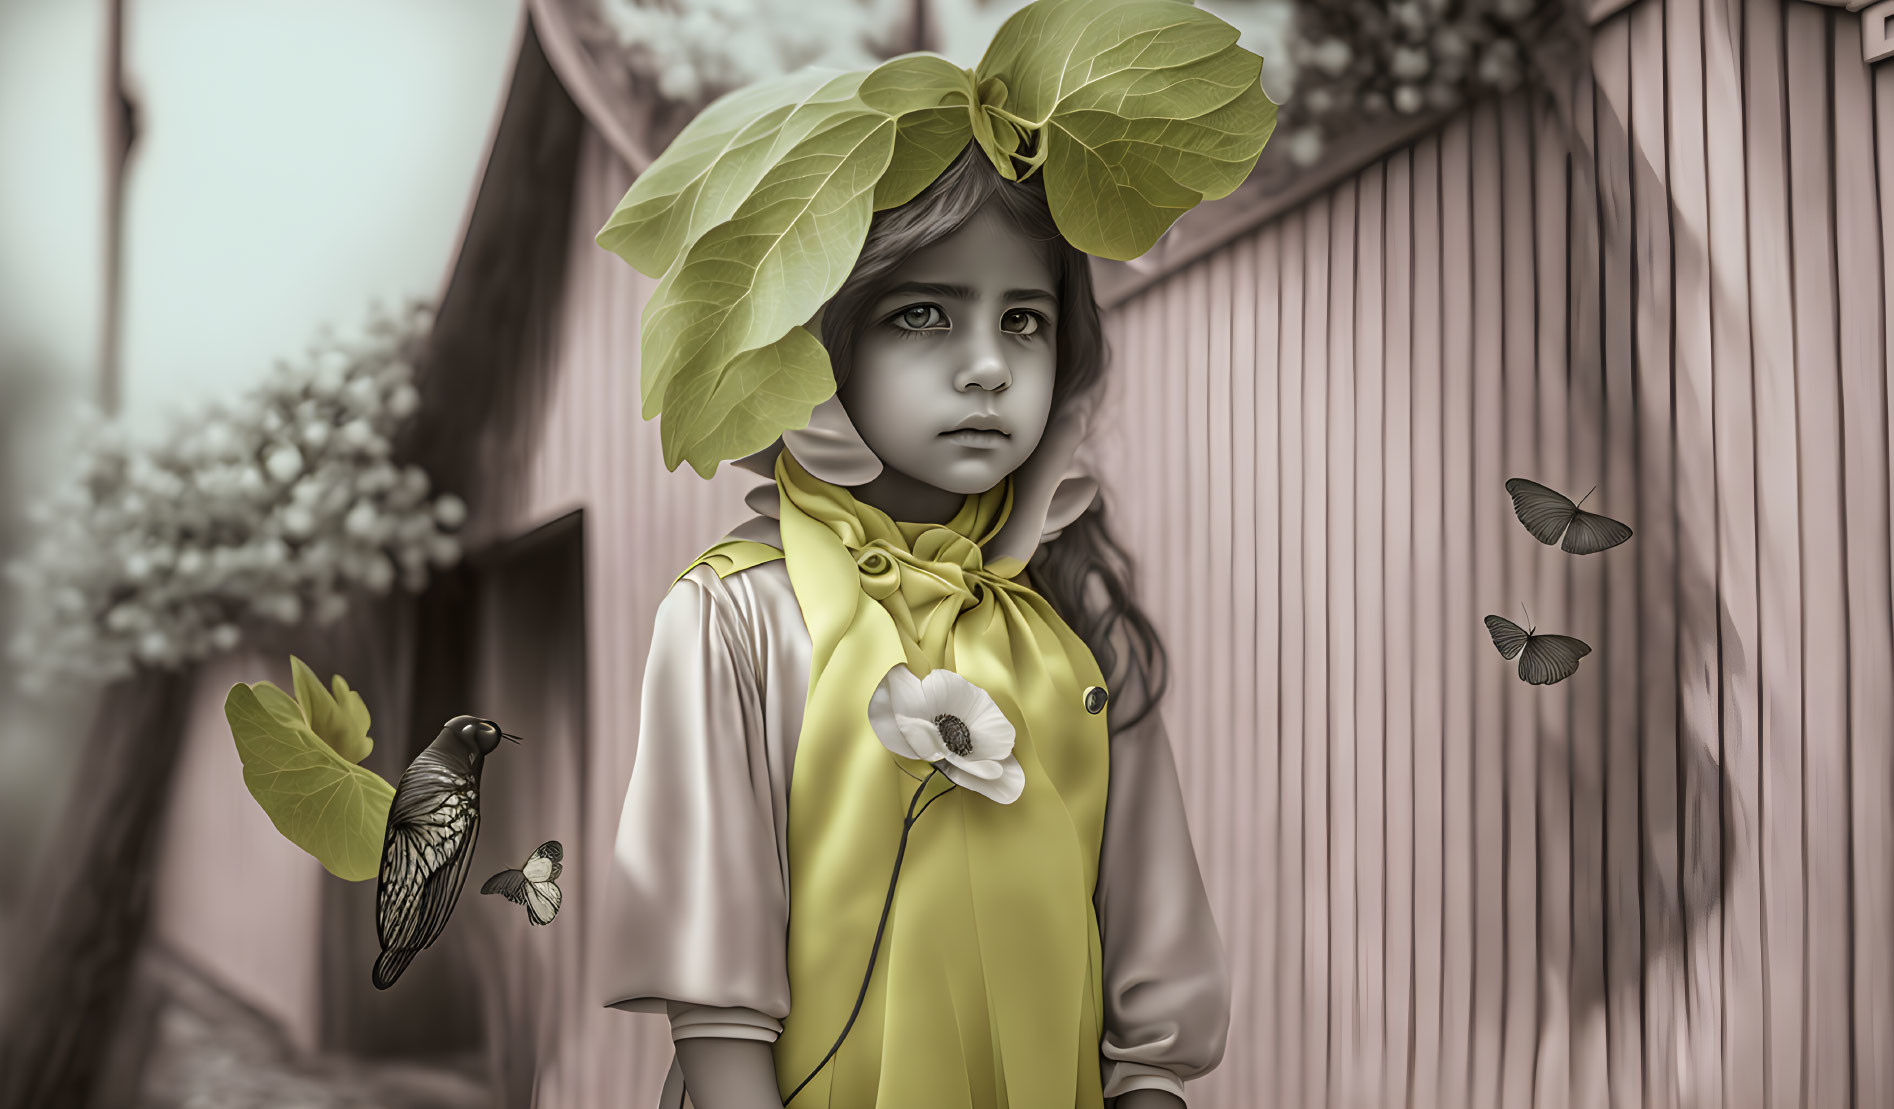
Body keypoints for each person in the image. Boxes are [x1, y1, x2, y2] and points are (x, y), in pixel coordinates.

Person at [598, 5, 1276, 1105]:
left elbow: (1151, 999)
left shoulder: (1069, 630)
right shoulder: (734, 617)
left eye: (1024, 320)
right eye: (922, 314)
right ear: (816, 341)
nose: (987, 368)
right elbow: (713, 998)